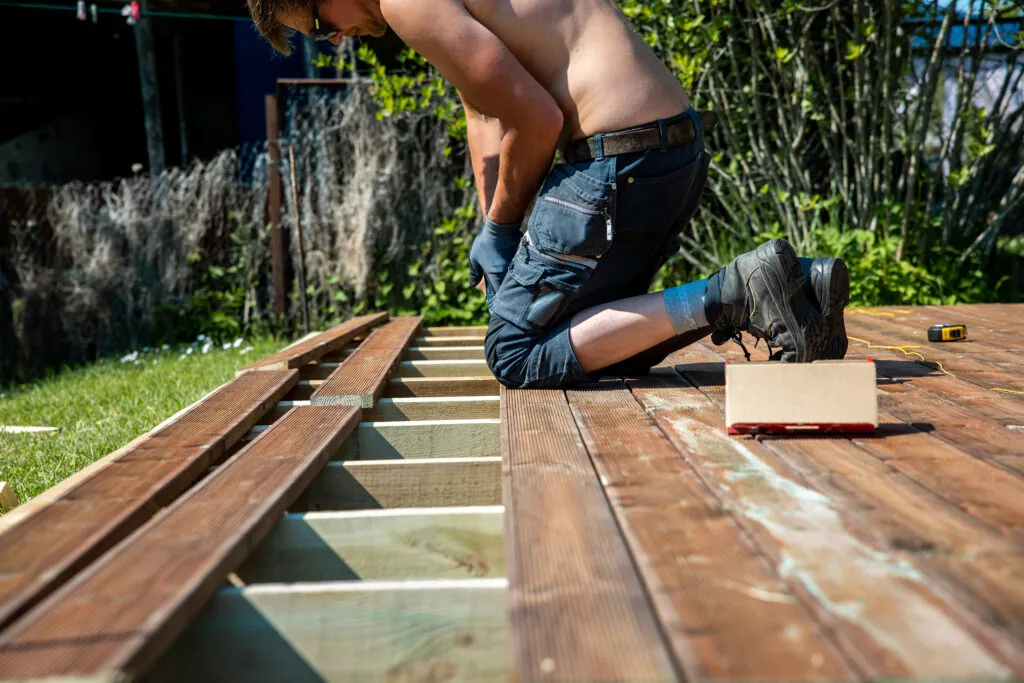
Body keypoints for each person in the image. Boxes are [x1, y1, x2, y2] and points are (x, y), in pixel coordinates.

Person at [247, 0, 850, 388]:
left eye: (323, 26)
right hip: (669, 149)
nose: (338, 39)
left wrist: (506, 228)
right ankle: (801, 288)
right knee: (601, 346)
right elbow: (484, 113)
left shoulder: (404, 2)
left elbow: (536, 120)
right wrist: (494, 239)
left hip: (621, 156)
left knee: (515, 354)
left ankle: (737, 292)